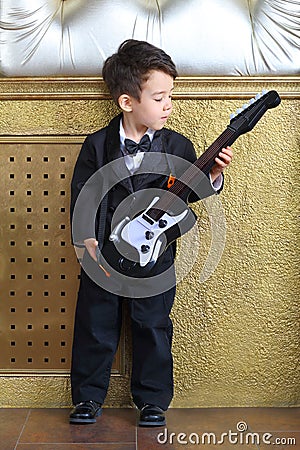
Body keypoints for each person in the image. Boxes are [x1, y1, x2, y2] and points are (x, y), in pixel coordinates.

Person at [69, 39, 233, 426]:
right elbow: (84, 194)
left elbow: (187, 196)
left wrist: (212, 175)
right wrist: (85, 240)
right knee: (95, 324)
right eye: (159, 98)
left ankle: (153, 400)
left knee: (153, 326)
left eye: (170, 96)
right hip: (103, 256)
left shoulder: (177, 145)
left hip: (154, 257)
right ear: (128, 102)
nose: (169, 106)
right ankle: (88, 399)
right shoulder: (97, 145)